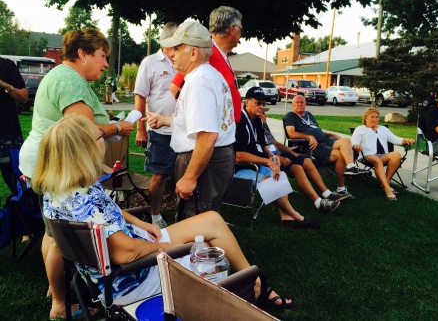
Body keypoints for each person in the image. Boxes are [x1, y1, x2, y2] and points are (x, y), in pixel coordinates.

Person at [32, 114, 294, 310]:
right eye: (100, 135)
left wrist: (141, 224)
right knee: (208, 250)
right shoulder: (86, 200)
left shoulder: (61, 192)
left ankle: (255, 282)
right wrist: (170, 248)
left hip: (121, 267)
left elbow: (110, 214)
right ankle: (253, 286)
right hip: (136, 277)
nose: (105, 137)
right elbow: (126, 252)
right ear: (84, 150)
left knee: (212, 220)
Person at [19, 28, 134, 319]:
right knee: (60, 236)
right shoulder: (71, 82)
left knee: (52, 231)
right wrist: (119, 127)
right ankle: (59, 304)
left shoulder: (62, 76)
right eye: (102, 56)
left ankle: (54, 288)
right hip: (56, 166)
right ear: (83, 54)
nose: (106, 64)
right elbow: (85, 132)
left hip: (46, 163)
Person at [145, 20, 236, 222]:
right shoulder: (209, 75)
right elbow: (203, 123)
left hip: (203, 159)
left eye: (177, 48)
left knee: (195, 222)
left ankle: (201, 254)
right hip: (215, 158)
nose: (171, 53)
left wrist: (189, 177)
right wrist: (166, 120)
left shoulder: (198, 82)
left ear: (193, 53)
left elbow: (207, 135)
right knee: (206, 218)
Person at [235, 87, 320, 229]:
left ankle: (286, 217)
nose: (262, 107)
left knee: (281, 176)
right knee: (270, 181)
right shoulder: (239, 121)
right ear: (247, 102)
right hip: (240, 168)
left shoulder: (257, 120)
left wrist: (271, 155)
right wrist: (267, 161)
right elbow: (239, 155)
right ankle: (297, 216)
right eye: (258, 103)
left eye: (264, 103)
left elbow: (262, 145)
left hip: (256, 164)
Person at [260, 108, 349, 212]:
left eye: (264, 113)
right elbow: (258, 150)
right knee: (297, 168)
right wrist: (278, 157)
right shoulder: (255, 129)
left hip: (279, 154)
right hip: (271, 159)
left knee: (306, 161)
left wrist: (291, 152)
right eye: (262, 114)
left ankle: (327, 193)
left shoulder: (264, 126)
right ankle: (319, 203)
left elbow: (275, 143)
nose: (264, 115)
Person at [134, 22, 178, 229]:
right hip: (160, 130)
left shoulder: (183, 62)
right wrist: (141, 129)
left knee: (186, 173)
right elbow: (140, 96)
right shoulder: (150, 62)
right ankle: (155, 216)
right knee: (159, 175)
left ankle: (183, 213)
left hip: (184, 130)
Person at [284, 95, 371, 200]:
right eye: (297, 102)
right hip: (312, 146)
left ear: (305, 104)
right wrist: (309, 137)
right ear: (292, 105)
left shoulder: (308, 114)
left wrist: (330, 134)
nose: (300, 104)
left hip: (325, 141)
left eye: (302, 102)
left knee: (346, 141)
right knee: (340, 155)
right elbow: (291, 134)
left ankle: (351, 167)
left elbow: (316, 130)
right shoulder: (290, 116)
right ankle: (341, 188)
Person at [170, 6, 242, 123]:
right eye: (240, 28)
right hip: (214, 134)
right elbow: (175, 88)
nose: (241, 33)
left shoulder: (220, 53)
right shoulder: (206, 53)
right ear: (232, 29)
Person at [351, 107, 415, 200]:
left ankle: (384, 182)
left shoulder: (383, 128)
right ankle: (387, 189)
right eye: (372, 117)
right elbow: (354, 143)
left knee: (396, 155)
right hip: (367, 155)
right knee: (377, 161)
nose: (374, 119)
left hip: (383, 155)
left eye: (376, 117)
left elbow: (395, 139)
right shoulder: (360, 129)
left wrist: (406, 140)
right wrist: (356, 146)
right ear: (365, 118)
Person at [0, 57, 28, 193]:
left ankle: (21, 211)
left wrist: (4, 85)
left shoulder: (7, 66)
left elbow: (23, 97)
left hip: (8, 136)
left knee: (17, 183)